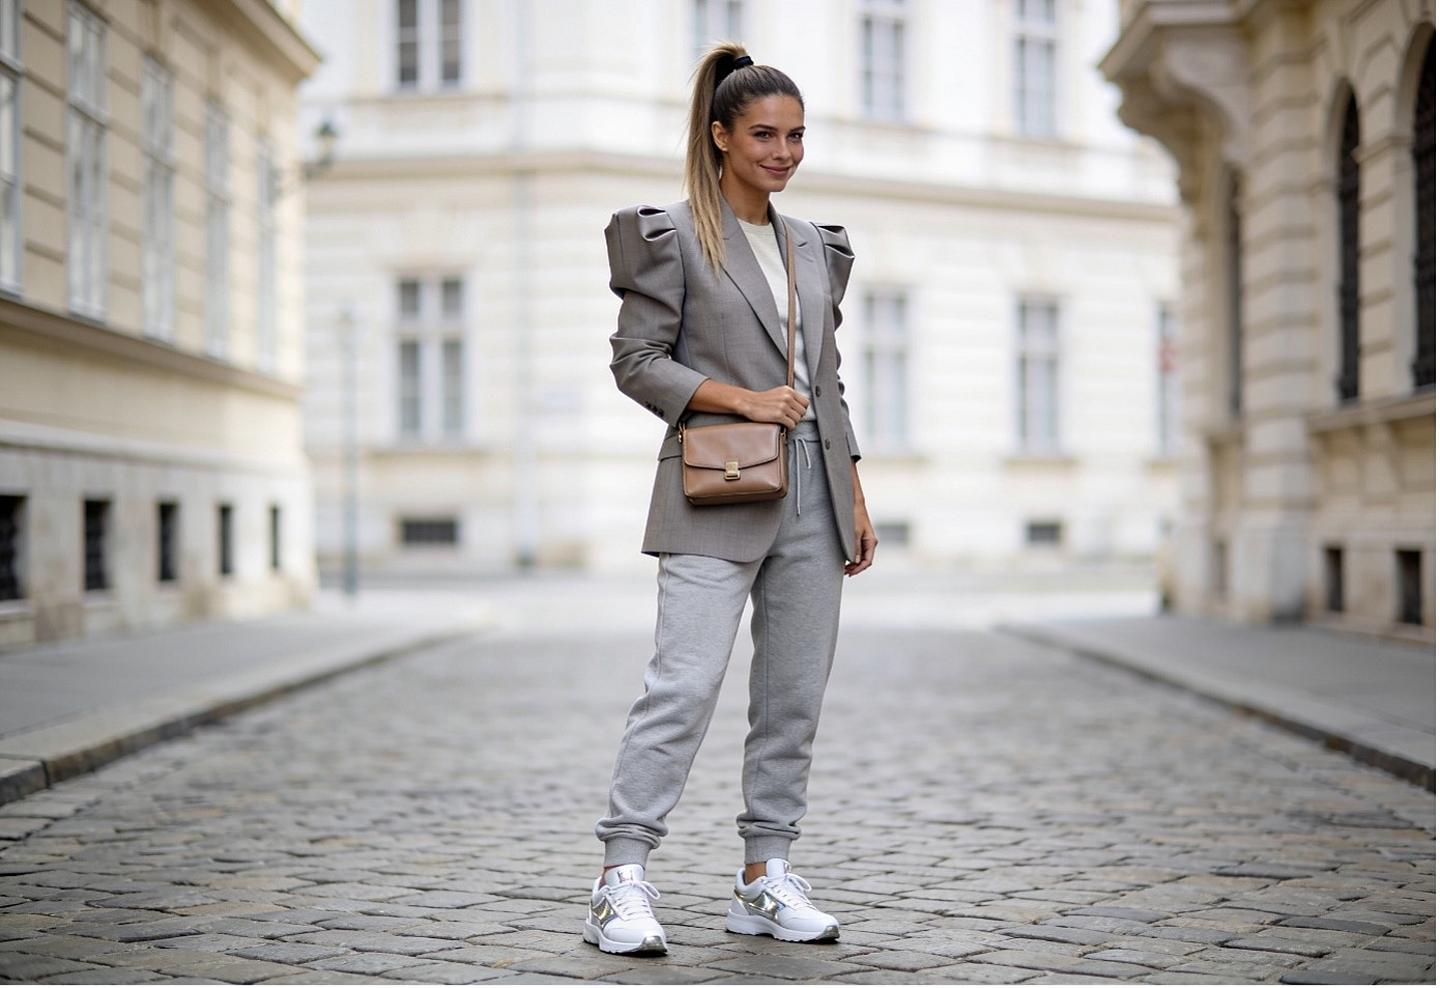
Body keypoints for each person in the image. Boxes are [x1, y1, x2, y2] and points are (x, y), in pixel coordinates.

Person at [583, 42, 878, 957]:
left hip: (816, 491)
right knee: (684, 684)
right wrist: (741, 397)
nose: (783, 152)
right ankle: (620, 878)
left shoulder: (815, 246)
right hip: (716, 482)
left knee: (792, 695)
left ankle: (762, 876)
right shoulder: (672, 236)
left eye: (795, 135)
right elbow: (636, 363)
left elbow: (825, 379)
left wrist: (856, 492)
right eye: (763, 135)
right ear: (719, 136)